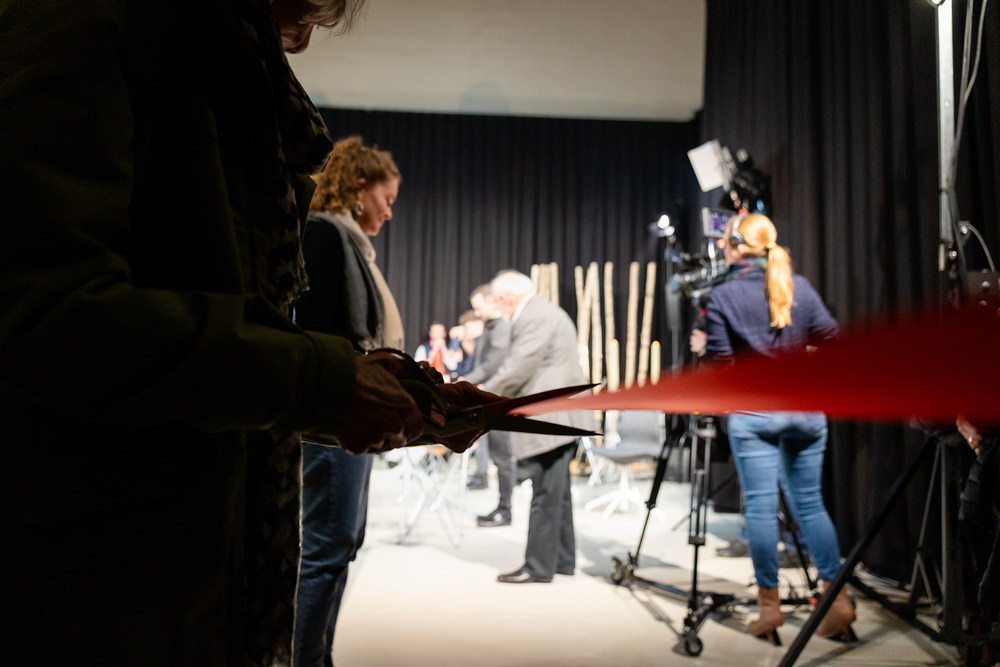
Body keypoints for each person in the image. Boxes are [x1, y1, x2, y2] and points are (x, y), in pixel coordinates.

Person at [0, 3, 491, 666]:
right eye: (290, 13)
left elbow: (221, 342)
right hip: (99, 589)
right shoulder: (94, 26)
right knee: (329, 552)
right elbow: (51, 319)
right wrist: (327, 383)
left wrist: (396, 394)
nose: (300, 37)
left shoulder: (197, 68)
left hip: (182, 574)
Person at [702, 213, 853, 644]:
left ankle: (770, 610)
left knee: (761, 509)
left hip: (754, 415)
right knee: (811, 504)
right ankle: (838, 603)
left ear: (735, 247)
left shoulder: (723, 295)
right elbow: (831, 340)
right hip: (805, 411)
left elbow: (720, 363)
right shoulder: (798, 285)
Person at [293, 136, 405, 667]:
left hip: (345, 410)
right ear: (360, 187)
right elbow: (312, 327)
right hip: (334, 414)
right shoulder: (324, 234)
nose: (390, 211)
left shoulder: (350, 243)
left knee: (340, 545)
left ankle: (319, 656)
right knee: (326, 547)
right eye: (387, 198)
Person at [484, 271, 594, 583]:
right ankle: (562, 559)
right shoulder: (544, 311)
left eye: (497, 303)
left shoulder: (532, 316)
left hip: (552, 418)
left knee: (545, 492)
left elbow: (516, 369)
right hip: (561, 415)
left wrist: (478, 396)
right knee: (558, 493)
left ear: (506, 299)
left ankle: (538, 566)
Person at [463, 285, 516, 525]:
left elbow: (492, 365)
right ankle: (502, 507)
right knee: (498, 456)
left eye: (478, 307)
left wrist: (465, 381)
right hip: (491, 397)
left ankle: (505, 510)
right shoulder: (490, 327)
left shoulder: (502, 328)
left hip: (501, 400)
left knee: (503, 458)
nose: (477, 313)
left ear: (492, 302)